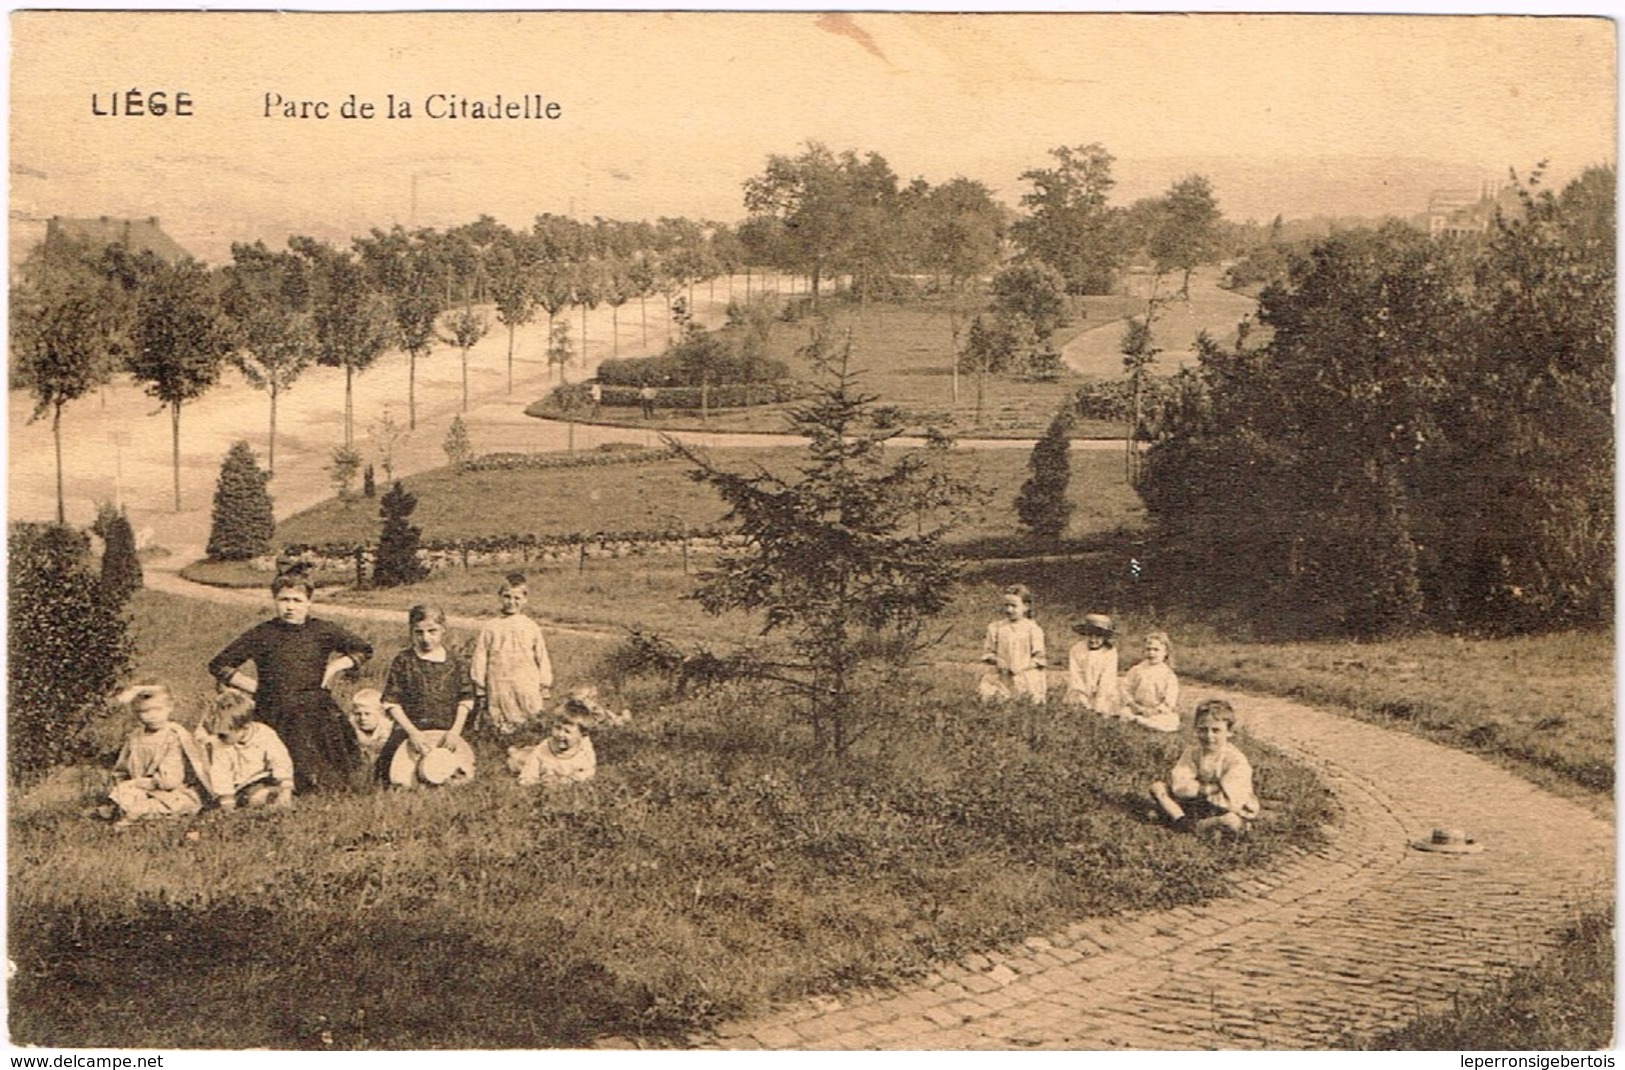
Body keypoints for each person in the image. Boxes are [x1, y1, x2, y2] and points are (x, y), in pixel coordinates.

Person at [208, 570, 373, 794]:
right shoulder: (263, 634)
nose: (290, 607)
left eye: (297, 600)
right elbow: (219, 664)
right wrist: (256, 688)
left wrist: (334, 667)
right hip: (275, 707)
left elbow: (363, 649)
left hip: (316, 707)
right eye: (284, 599)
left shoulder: (322, 630)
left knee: (330, 779)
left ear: (309, 603)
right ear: (275, 600)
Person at [377, 604, 476, 785]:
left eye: (432, 631)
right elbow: (392, 702)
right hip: (410, 732)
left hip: (445, 733)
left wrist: (455, 731)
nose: (426, 638)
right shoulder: (404, 661)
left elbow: (466, 698)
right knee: (397, 780)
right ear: (411, 632)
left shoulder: (456, 662)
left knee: (449, 777)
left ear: (443, 629)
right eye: (419, 632)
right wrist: (413, 732)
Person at [98, 683, 212, 828]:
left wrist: (149, 783)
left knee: (167, 804)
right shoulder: (135, 737)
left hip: (171, 790)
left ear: (169, 707)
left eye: (157, 709)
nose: (151, 716)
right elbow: (122, 768)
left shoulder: (174, 736)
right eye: (143, 711)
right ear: (135, 712)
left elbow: (172, 779)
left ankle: (132, 816)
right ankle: (124, 810)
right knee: (125, 793)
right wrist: (127, 784)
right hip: (142, 787)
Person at [1151, 698, 1260, 834]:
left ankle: (1192, 824)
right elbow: (1180, 782)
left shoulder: (1235, 760)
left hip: (1224, 807)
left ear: (1229, 732)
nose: (1209, 736)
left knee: (1231, 821)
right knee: (1158, 788)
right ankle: (1184, 821)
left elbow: (1233, 800)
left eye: (1216, 730)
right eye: (1203, 730)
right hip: (1197, 801)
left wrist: (1199, 788)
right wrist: (1209, 789)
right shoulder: (1193, 752)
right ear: (1196, 729)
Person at [470, 572, 553, 736]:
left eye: (517, 598)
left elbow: (541, 656)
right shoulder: (491, 627)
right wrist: (480, 684)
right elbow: (481, 656)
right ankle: (503, 743)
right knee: (501, 714)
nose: (511, 602)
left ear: (525, 599)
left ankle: (529, 739)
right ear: (500, 597)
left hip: (525, 679)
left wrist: (544, 683)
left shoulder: (530, 626)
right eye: (507, 597)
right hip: (499, 680)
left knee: (528, 712)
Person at [196, 687, 294, 812]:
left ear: (245, 727)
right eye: (218, 734)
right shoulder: (221, 744)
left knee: (264, 792)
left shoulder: (265, 735)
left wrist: (286, 788)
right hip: (238, 786)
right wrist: (227, 800)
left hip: (261, 778)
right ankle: (258, 799)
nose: (220, 738)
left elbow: (280, 760)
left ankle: (274, 797)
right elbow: (221, 772)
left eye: (223, 735)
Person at [978, 584, 1048, 705]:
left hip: (1025, 673)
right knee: (992, 698)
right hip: (1001, 674)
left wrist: (1023, 667)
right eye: (1006, 605)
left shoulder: (1033, 629)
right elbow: (988, 653)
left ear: (1026, 607)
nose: (1009, 610)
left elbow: (1039, 658)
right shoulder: (996, 627)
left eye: (1013, 606)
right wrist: (997, 660)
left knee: (1026, 698)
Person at [509, 710, 597, 786]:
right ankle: (516, 752)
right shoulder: (543, 748)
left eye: (567, 731)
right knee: (518, 761)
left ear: (582, 735)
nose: (560, 734)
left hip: (563, 772)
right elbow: (528, 774)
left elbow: (589, 771)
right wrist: (539, 781)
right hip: (542, 765)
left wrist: (566, 780)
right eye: (557, 728)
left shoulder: (584, 748)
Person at [1120, 630, 1180, 732]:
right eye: (1148, 649)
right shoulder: (1137, 670)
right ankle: (1140, 721)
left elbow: (1170, 700)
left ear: (1165, 653)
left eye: (1156, 650)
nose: (1151, 653)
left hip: (1156, 712)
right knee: (1124, 713)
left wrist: (1155, 711)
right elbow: (1125, 689)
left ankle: (1144, 723)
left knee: (1170, 721)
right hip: (1137, 708)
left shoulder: (1168, 675)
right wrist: (1134, 706)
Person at [1064, 613, 1120, 715]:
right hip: (1080, 691)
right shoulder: (1077, 649)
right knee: (1077, 708)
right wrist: (1081, 695)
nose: (1093, 640)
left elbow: (1107, 679)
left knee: (1103, 709)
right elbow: (1075, 675)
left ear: (1105, 637)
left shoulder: (1110, 652)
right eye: (1090, 635)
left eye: (1098, 636)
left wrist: (1099, 701)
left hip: (1103, 693)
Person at [347, 688, 395, 781]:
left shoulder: (387, 731)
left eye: (367, 714)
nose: (362, 718)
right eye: (358, 714)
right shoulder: (351, 730)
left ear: (380, 714)